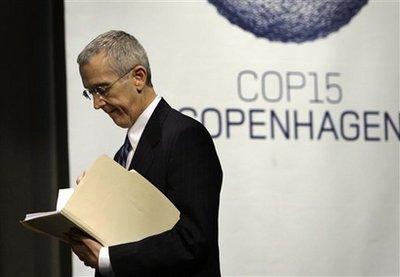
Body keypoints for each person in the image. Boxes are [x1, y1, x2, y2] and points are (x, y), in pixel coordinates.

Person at [66, 30, 223, 277]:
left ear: (139, 77)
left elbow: (193, 240)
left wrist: (106, 258)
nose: (97, 103)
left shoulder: (186, 137)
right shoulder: (123, 154)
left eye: (102, 89)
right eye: (91, 93)